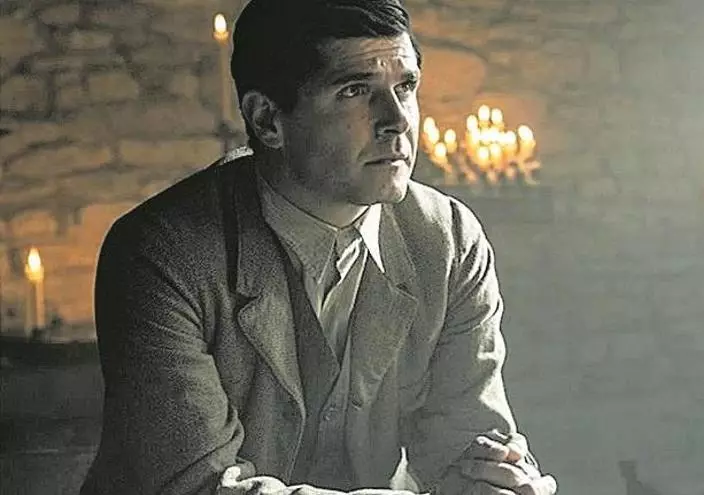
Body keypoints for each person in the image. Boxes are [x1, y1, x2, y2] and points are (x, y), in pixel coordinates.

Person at [80, 0, 557, 493]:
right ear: (267, 120)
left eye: (405, 87)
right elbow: (201, 486)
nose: (397, 120)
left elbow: (473, 448)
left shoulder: (449, 239)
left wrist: (501, 481)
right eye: (355, 91)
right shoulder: (160, 252)